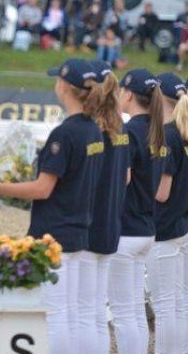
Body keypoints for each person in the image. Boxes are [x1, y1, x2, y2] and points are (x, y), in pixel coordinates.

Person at [0, 58, 104, 353]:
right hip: (80, 229)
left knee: (55, 316)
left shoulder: (65, 134)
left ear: (64, 87)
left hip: (55, 233)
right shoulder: (93, 130)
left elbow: (43, 188)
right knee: (72, 314)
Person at [109, 69, 166, 354]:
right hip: (145, 228)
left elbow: (123, 179)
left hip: (127, 229)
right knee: (134, 311)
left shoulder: (129, 132)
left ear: (129, 94)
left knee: (123, 312)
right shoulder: (158, 131)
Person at [81, 60, 130, 354]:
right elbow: (124, 177)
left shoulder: (91, 130)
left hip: (88, 224)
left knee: (83, 310)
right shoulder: (120, 128)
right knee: (98, 309)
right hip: (111, 222)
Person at [145, 72, 188, 354]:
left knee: (165, 304)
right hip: (182, 225)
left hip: (164, 228)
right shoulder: (182, 133)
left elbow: (161, 192)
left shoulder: (168, 137)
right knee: (180, 302)